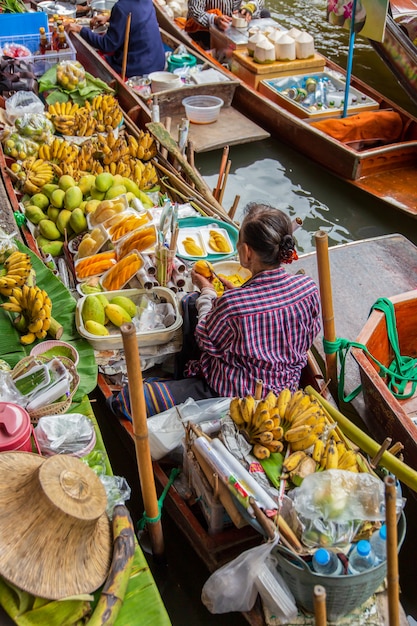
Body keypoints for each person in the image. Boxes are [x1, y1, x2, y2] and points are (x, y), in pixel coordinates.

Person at [109, 203, 321, 420]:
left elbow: (205, 338)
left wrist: (208, 291)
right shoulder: (308, 288)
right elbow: (306, 336)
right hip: (286, 390)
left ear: (247, 252)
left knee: (128, 400)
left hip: (235, 397)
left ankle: (179, 379)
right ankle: (178, 377)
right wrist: (240, 294)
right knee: (193, 304)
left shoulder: (235, 305)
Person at [65, 0, 165, 79]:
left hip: (138, 68)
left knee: (92, 59)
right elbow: (135, 15)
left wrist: (81, 29)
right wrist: (110, 17)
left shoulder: (122, 7)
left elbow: (107, 46)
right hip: (158, 62)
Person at [185, 0, 267, 47]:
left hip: (231, 21)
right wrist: (215, 19)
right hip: (206, 26)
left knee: (265, 14)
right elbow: (195, 10)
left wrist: (250, 6)